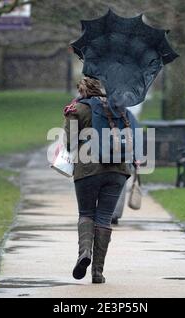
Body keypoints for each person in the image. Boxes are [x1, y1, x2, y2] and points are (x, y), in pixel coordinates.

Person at [63, 77, 132, 284]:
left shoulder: (78, 109)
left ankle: (84, 252)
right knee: (104, 217)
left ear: (81, 89)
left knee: (86, 213)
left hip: (87, 169)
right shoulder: (118, 107)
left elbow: (68, 143)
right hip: (117, 169)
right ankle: (97, 273)